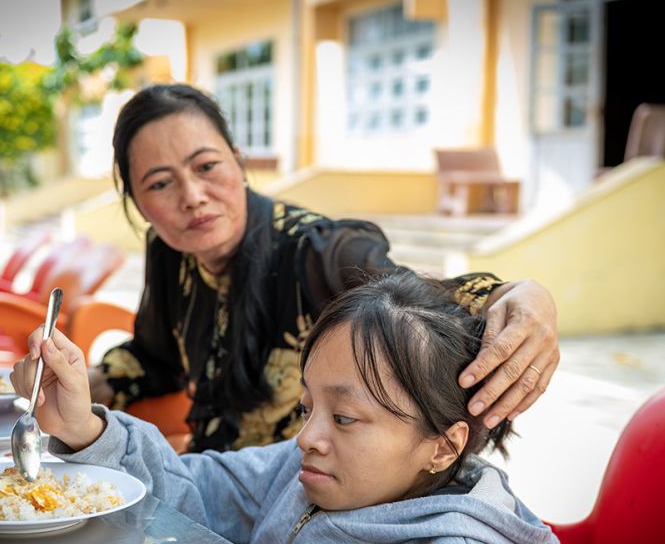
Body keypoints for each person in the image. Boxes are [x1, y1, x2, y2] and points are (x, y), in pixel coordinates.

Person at [10, 270, 567, 544]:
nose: (307, 438)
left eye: (344, 417)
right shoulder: (306, 474)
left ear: (444, 446)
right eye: (307, 407)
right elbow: (196, 495)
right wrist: (86, 430)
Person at [91, 83, 559, 452]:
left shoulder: (317, 252)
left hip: (305, 494)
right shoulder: (169, 251)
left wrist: (521, 296)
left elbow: (423, 304)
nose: (192, 196)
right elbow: (157, 361)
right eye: (160, 183)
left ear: (238, 162)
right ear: (138, 203)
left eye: (207, 166)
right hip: (214, 480)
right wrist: (96, 380)